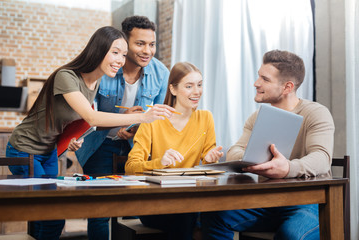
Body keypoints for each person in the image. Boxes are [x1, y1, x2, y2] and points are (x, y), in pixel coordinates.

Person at [5, 26, 174, 240]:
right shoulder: (66, 76)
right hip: (23, 149)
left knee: (49, 216)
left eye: (123, 54)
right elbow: (92, 117)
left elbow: (80, 121)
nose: (121, 60)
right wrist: (142, 117)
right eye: (115, 52)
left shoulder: (94, 82)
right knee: (51, 214)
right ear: (98, 50)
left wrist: (74, 139)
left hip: (49, 152)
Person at [200, 50, 335, 240]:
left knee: (290, 234)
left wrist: (287, 168)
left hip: (307, 201)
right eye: (258, 77)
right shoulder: (257, 117)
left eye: (265, 79)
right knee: (213, 214)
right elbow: (235, 151)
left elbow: (321, 159)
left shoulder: (316, 113)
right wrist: (252, 159)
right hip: (266, 200)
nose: (256, 83)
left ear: (287, 87)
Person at [72, 16, 170, 240]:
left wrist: (136, 127)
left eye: (152, 44)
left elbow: (157, 116)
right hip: (101, 144)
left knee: (142, 206)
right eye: (140, 44)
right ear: (124, 43)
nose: (147, 51)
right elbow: (86, 114)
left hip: (138, 146)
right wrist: (119, 122)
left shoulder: (161, 73)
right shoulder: (103, 68)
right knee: (100, 210)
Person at [125, 62, 223, 240]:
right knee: (187, 216)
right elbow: (131, 167)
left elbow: (209, 165)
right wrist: (160, 163)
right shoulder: (153, 119)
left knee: (209, 214)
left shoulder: (206, 118)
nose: (197, 91)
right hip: (155, 204)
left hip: (191, 201)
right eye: (189, 86)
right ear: (173, 89)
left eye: (200, 85)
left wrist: (210, 158)